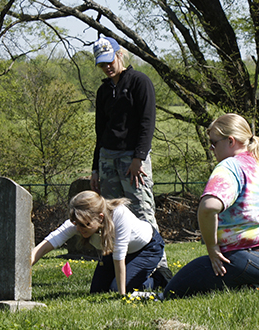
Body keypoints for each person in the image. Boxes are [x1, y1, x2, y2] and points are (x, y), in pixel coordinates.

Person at [163, 113, 259, 298]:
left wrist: (212, 248)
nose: (212, 149)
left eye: (214, 143)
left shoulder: (230, 166)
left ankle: (255, 283)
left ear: (231, 141)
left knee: (174, 291)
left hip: (249, 260)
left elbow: (208, 207)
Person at [91, 37, 171, 280]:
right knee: (112, 214)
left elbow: (147, 124)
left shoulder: (139, 82)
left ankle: (159, 268)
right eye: (101, 64)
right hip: (107, 158)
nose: (107, 67)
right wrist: (95, 168)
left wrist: (139, 157)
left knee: (142, 211)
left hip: (132, 159)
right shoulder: (103, 91)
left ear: (120, 54)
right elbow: (99, 132)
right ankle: (120, 267)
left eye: (110, 60)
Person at [31, 190, 166, 295]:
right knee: (98, 290)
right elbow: (47, 244)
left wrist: (122, 295)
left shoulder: (119, 215)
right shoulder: (80, 221)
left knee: (116, 288)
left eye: (84, 225)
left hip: (147, 249)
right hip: (114, 252)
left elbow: (119, 257)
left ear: (100, 218)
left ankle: (158, 279)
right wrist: (23, 266)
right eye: (76, 223)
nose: (78, 229)